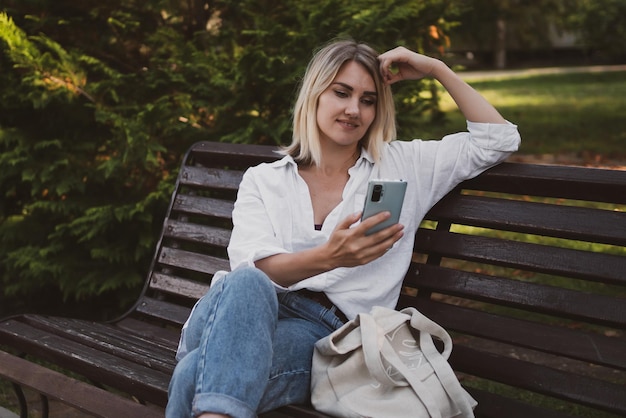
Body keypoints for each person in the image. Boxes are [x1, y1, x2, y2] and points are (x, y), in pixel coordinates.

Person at [166, 39, 520, 418]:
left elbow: (498, 141)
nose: (354, 110)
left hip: (326, 336)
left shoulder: (402, 165)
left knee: (193, 374)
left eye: (368, 100)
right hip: (248, 310)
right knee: (245, 281)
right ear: (315, 94)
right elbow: (258, 269)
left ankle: (212, 369)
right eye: (342, 93)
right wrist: (331, 257)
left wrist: (436, 69)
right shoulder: (264, 179)